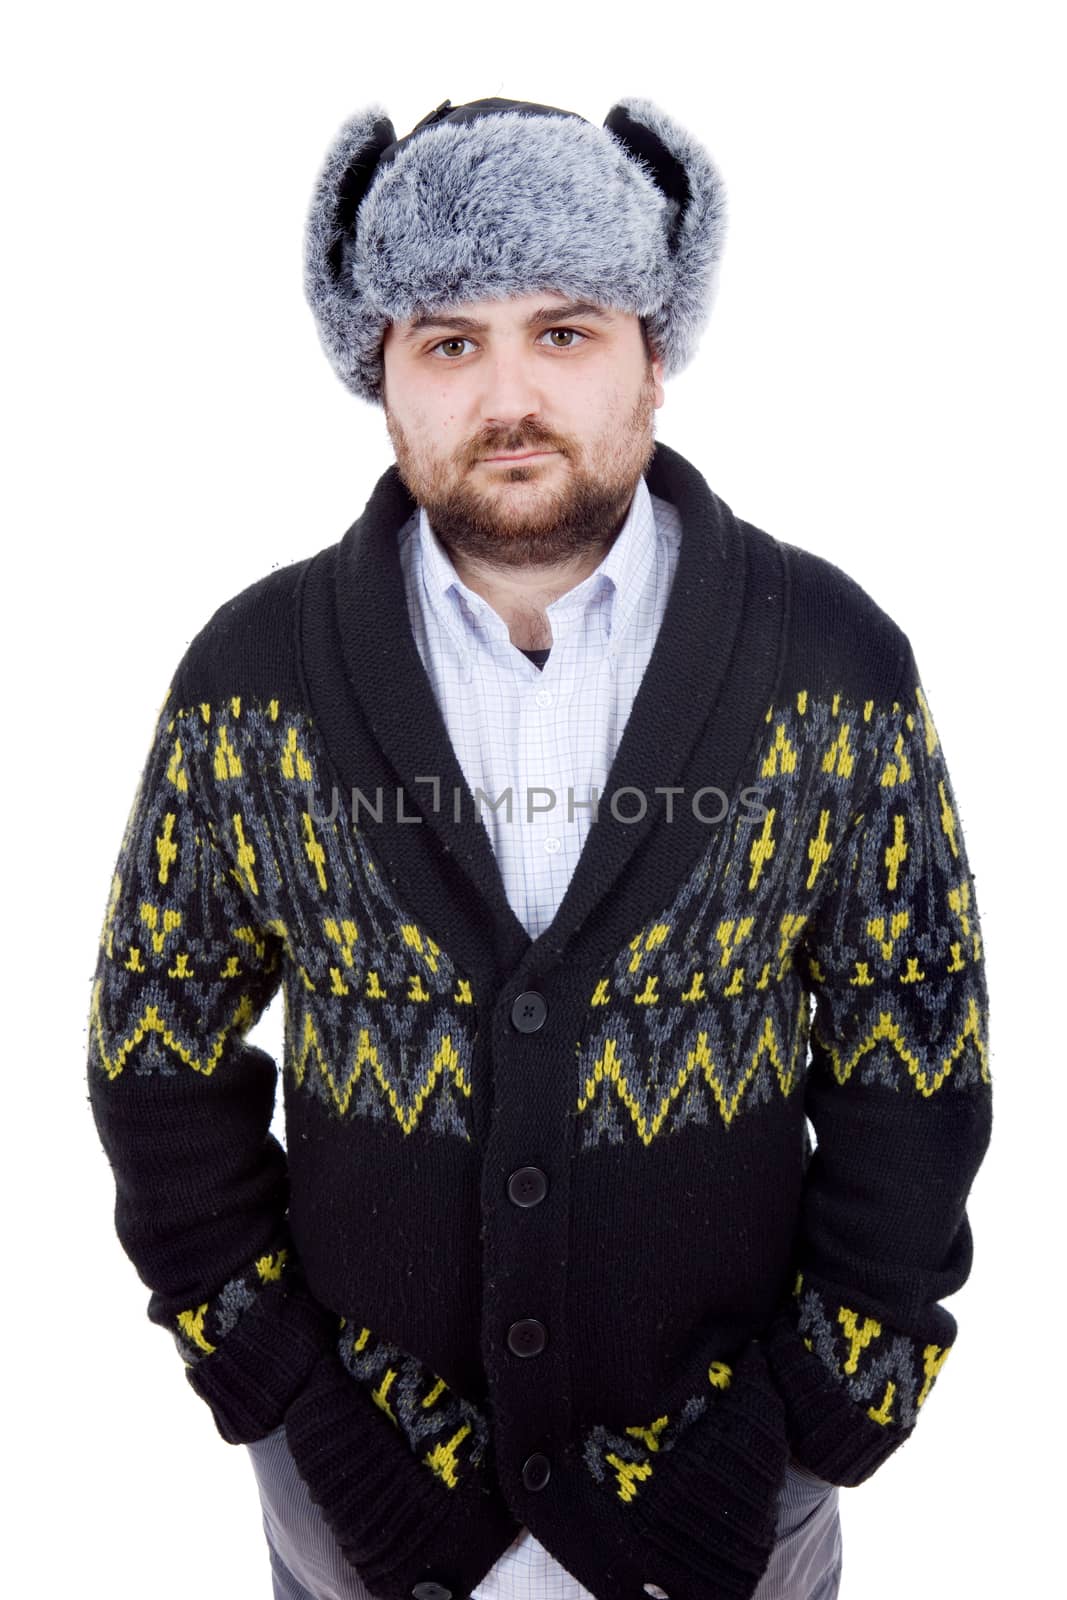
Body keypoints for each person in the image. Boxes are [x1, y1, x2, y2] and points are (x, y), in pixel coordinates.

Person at [86, 95, 994, 1600]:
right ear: (380, 369)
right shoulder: (252, 675)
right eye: (451, 340)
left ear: (654, 348)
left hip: (732, 1504)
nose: (508, 391)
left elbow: (918, 1053)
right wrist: (295, 1403)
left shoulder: (830, 659)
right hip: (357, 1502)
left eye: (564, 331)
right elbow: (151, 1056)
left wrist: (814, 1415)